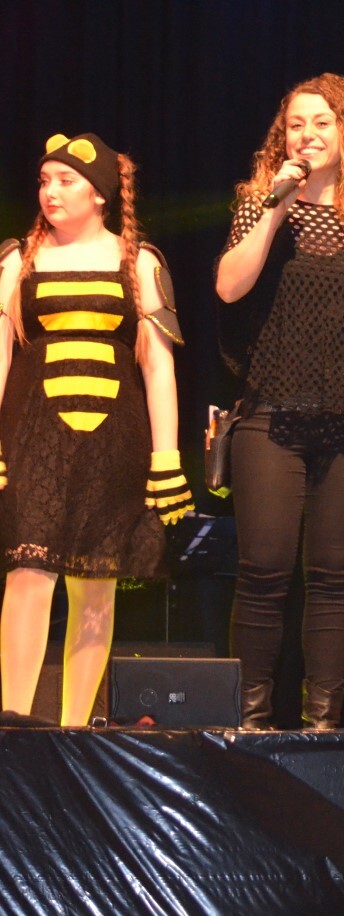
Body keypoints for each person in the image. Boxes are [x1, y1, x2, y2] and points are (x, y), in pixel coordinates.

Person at [216, 73, 344, 730]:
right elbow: (228, 287)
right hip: (271, 415)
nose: (306, 135)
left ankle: (322, 726)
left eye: (321, 122)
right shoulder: (260, 202)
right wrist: (276, 206)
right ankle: (250, 722)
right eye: (295, 125)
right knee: (264, 569)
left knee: (334, 575)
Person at [0, 132, 191, 726]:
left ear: (100, 194)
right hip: (34, 434)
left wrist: (166, 457)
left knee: (94, 580)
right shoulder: (18, 260)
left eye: (66, 181)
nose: (50, 192)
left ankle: (74, 731)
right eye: (44, 181)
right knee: (28, 571)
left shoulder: (139, 261)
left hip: (113, 438)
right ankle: (13, 726)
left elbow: (157, 367)